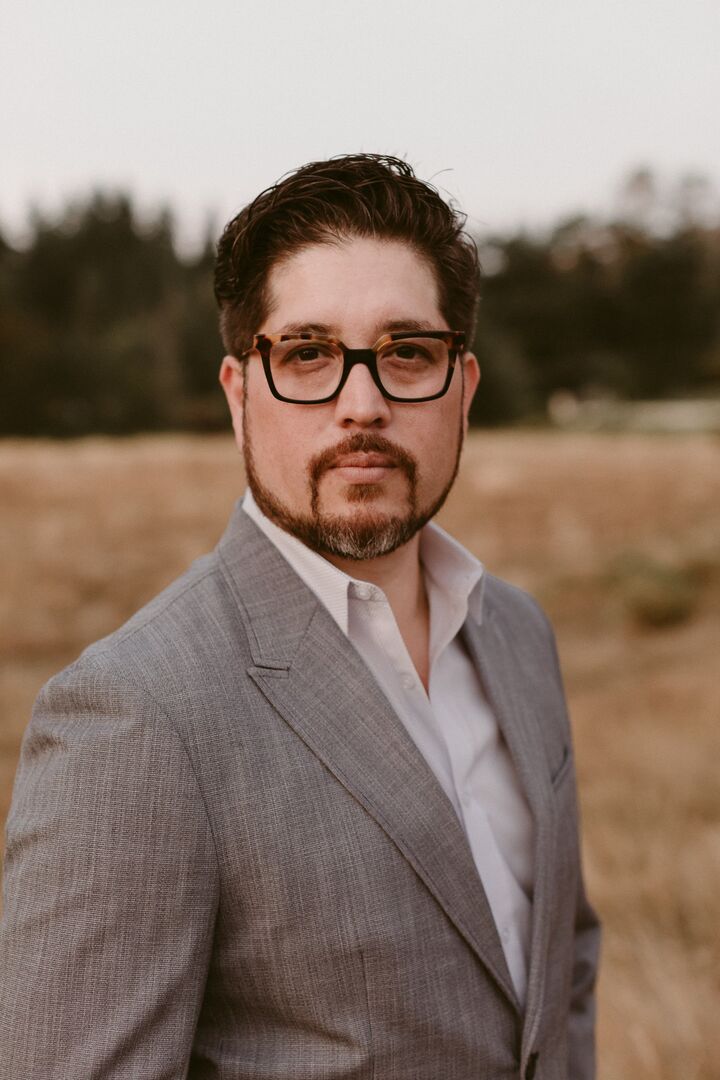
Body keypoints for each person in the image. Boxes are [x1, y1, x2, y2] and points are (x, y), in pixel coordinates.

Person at [0, 154, 600, 1079]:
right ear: (240, 394)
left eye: (408, 352)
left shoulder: (517, 633)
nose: (363, 406)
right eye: (308, 354)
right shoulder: (135, 716)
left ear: (463, 387)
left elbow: (563, 978)